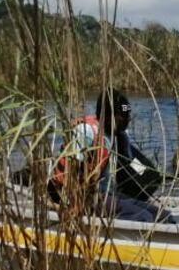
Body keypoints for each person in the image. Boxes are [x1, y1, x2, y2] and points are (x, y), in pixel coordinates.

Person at [50, 88, 163, 222]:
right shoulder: (87, 132)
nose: (128, 119)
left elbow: (131, 163)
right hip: (86, 196)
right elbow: (70, 171)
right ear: (109, 117)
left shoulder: (120, 136)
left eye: (129, 114)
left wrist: (151, 177)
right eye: (124, 115)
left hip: (109, 194)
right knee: (145, 217)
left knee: (161, 214)